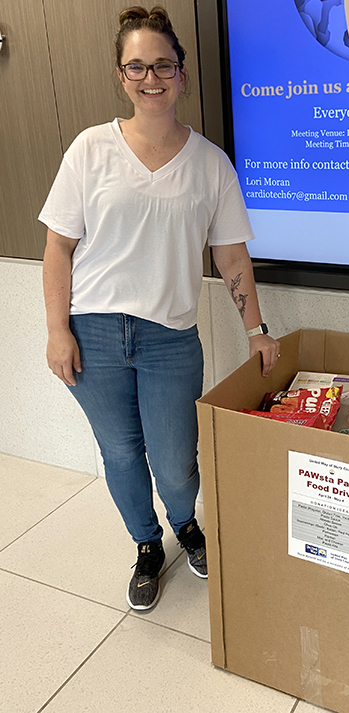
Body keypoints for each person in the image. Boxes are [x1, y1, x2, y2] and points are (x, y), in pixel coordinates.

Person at [39, 6, 280, 612]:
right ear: (122, 75)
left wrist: (256, 330)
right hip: (92, 333)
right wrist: (56, 331)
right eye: (136, 66)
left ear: (182, 73)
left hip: (172, 337)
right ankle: (147, 546)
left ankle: (184, 522)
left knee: (175, 462)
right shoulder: (90, 150)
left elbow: (231, 260)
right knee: (120, 453)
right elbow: (58, 249)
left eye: (163, 65)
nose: (151, 78)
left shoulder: (210, 164)